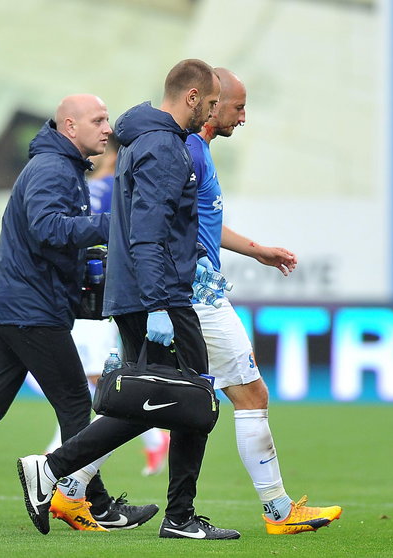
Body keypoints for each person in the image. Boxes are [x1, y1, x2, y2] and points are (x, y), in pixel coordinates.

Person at [0, 94, 158, 532]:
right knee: (78, 403)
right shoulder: (53, 168)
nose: (106, 128)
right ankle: (95, 506)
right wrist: (112, 226)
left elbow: (50, 233)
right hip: (29, 309)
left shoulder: (58, 166)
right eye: (98, 120)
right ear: (69, 127)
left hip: (13, 306)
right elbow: (48, 229)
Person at [18, 59, 241, 540]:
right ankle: (63, 471)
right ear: (193, 97)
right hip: (158, 295)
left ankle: (71, 476)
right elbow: (146, 233)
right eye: (214, 102)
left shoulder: (146, 139)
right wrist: (160, 303)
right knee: (190, 400)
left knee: (161, 402)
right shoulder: (164, 147)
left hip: (143, 292)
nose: (216, 112)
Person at [185, 68, 342, 534]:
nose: (244, 116)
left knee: (138, 403)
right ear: (212, 107)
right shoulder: (190, 150)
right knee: (250, 393)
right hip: (197, 294)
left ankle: (65, 484)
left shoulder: (197, 150)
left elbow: (204, 221)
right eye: (239, 107)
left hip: (180, 293)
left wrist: (257, 251)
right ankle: (278, 510)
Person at [46, 133, 172, 477]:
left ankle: (59, 455)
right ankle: (151, 438)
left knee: (95, 377)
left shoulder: (104, 191)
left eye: (103, 152)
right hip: (95, 297)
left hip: (95, 298)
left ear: (112, 157)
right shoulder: (105, 190)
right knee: (92, 378)